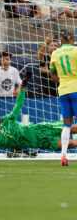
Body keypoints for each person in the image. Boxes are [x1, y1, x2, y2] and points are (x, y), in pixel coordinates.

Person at [50, 30, 77, 166]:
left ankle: (64, 156)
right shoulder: (76, 51)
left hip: (63, 91)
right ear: (73, 40)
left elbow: (52, 73)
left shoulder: (55, 53)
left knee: (66, 124)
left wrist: (61, 81)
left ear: (61, 41)